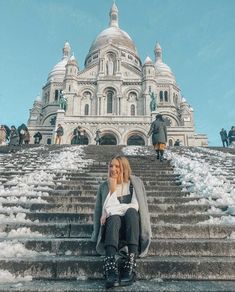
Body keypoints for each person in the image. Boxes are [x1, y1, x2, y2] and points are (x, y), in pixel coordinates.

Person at [91, 155, 151, 289]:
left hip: (131, 228)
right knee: (114, 218)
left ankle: (131, 261)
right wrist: (112, 189)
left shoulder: (134, 183)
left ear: (124, 167)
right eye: (111, 166)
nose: (113, 169)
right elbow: (100, 211)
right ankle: (110, 264)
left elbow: (136, 206)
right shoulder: (105, 186)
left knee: (131, 213)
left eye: (117, 166)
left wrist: (112, 209)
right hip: (113, 229)